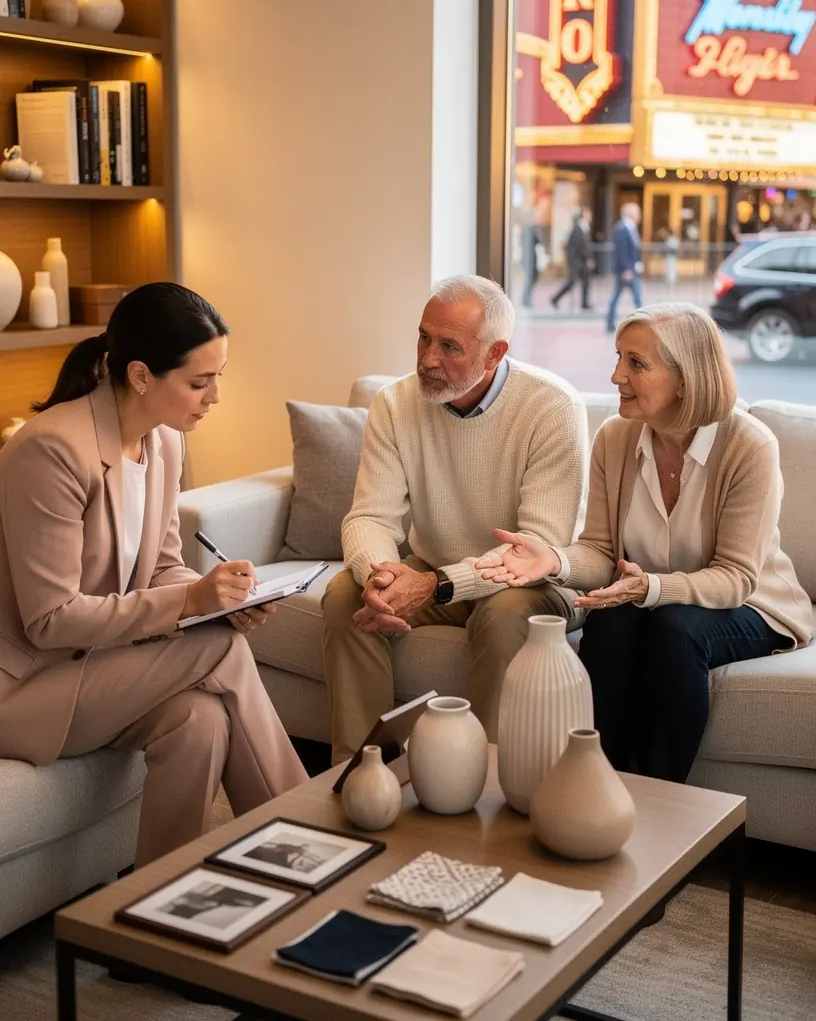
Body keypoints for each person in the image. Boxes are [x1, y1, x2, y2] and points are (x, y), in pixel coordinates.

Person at [0, 283, 307, 868]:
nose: (215, 396)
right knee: (217, 644)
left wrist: (216, 599)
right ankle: (307, 839)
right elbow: (49, 620)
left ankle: (162, 916)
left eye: (219, 376)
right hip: (25, 685)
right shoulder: (50, 451)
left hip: (95, 667)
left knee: (201, 721)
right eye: (199, 382)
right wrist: (194, 606)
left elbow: (164, 565)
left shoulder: (164, 442)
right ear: (141, 376)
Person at [476, 302, 814, 784]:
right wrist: (553, 559)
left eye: (636, 363)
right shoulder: (615, 438)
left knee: (676, 629)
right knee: (611, 621)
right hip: (652, 599)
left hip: (754, 605)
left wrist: (649, 589)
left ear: (686, 377)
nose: (616, 375)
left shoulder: (749, 445)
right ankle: (593, 784)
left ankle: (660, 797)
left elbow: (737, 577)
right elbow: (599, 550)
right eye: (618, 358)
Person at [321, 274, 588, 763]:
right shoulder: (394, 403)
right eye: (424, 337)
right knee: (346, 595)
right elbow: (369, 516)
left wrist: (438, 584)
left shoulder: (552, 407)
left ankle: (481, 783)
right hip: (437, 573)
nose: (427, 359)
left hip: (528, 582)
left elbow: (531, 549)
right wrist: (381, 575)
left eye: (449, 346)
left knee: (505, 614)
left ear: (495, 353)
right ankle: (364, 771)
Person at [606, 202, 643, 332]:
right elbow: (622, 251)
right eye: (637, 212)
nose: (640, 215)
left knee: (620, 296)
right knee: (636, 298)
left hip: (631, 268)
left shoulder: (631, 228)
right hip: (626, 271)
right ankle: (643, 322)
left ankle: (610, 321)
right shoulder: (622, 229)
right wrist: (627, 269)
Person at [552, 207, 594, 311]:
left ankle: (584, 303)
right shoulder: (577, 229)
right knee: (571, 282)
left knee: (586, 282)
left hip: (582, 261)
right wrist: (586, 259)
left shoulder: (585, 228)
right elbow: (578, 247)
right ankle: (555, 299)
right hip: (576, 261)